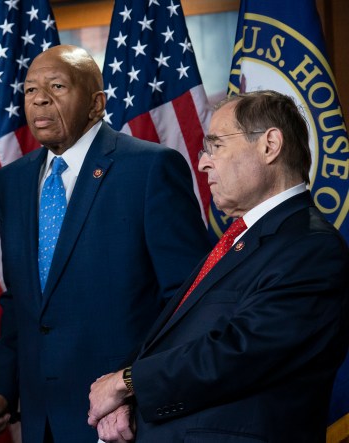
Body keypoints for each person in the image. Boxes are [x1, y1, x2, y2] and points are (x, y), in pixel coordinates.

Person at [0, 45, 211, 442]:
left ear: (97, 104)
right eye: (30, 90)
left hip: (126, 419)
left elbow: (187, 301)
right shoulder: (12, 182)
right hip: (41, 418)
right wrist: (0, 390)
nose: (39, 98)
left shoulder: (149, 169)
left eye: (57, 86)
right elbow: (23, 301)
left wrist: (137, 387)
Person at [87, 90, 349, 442]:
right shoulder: (238, 240)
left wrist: (128, 382)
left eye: (217, 146)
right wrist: (127, 397)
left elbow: (241, 352)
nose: (203, 163)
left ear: (270, 145)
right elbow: (178, 338)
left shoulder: (311, 247)